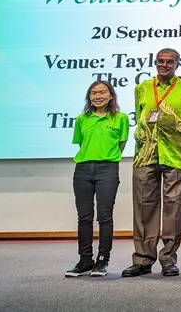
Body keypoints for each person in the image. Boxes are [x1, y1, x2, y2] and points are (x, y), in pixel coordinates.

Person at [122, 48, 181, 278]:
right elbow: (141, 118)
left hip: (174, 153)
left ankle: (168, 259)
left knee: (173, 208)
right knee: (144, 207)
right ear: (155, 63)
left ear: (177, 64)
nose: (164, 65)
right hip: (146, 154)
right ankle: (143, 259)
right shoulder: (142, 87)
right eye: (160, 61)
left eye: (169, 62)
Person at [66, 81, 129, 278]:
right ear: (89, 97)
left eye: (102, 92)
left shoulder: (121, 118)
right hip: (83, 169)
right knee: (84, 217)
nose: (97, 96)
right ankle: (85, 260)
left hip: (107, 169)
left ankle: (102, 260)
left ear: (111, 96)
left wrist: (105, 160)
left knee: (104, 216)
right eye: (93, 93)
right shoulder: (81, 119)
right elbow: (81, 144)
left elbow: (121, 145)